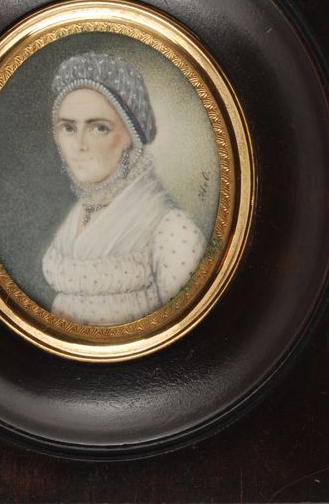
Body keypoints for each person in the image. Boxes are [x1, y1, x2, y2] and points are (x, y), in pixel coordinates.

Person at [42, 52, 206, 326]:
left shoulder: (172, 229)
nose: (79, 145)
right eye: (68, 128)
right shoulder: (79, 214)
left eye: (99, 128)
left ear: (131, 135)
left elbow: (189, 332)